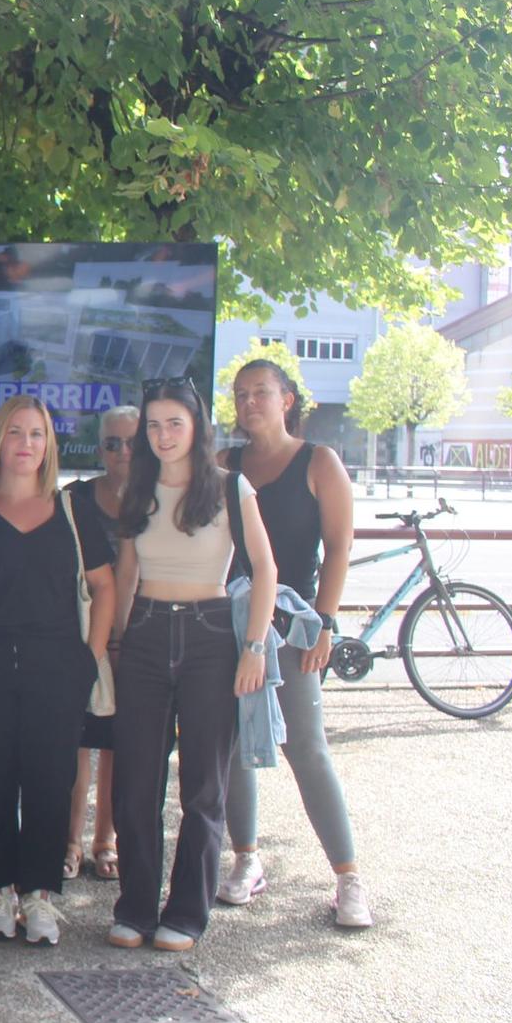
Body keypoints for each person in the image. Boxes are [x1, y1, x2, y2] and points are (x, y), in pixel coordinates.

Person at [108, 377, 276, 952]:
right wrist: (114, 641)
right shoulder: (139, 488)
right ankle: (134, 907)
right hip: (147, 632)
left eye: (174, 423)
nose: (162, 435)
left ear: (197, 428)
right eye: (153, 425)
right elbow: (126, 573)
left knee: (204, 784)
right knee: (137, 780)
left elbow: (265, 571)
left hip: (211, 637)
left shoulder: (231, 488)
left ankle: (186, 913)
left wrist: (253, 647)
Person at [0, 396, 115, 945]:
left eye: (37, 434)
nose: (26, 444)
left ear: (49, 445)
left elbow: (104, 587)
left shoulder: (72, 510)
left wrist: (87, 659)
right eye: (16, 433)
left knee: (50, 779)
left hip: (56, 663)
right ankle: (0, 887)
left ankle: (41, 893)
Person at [220, 359, 372, 928]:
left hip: (294, 624)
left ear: (287, 400)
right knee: (233, 745)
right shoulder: (223, 463)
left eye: (261, 392)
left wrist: (326, 624)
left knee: (306, 747)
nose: (250, 402)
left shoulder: (319, 462)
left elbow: (338, 548)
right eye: (241, 394)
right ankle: (245, 859)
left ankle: (348, 876)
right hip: (229, 624)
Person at [62, 406, 136, 883]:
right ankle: (67, 840)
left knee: (120, 745)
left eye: (133, 443)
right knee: (74, 743)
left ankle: (105, 840)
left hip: (138, 641)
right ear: (99, 447)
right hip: (82, 637)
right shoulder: (74, 500)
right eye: (112, 443)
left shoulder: (161, 501)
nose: (123, 452)